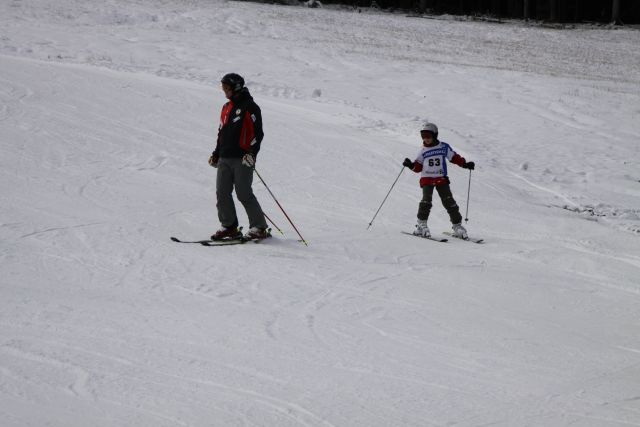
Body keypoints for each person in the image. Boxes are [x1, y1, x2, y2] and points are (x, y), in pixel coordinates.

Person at [208, 73, 269, 240]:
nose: (224, 91)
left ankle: (259, 227)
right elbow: (221, 133)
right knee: (222, 193)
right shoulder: (226, 107)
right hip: (224, 158)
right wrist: (216, 154)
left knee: (243, 193)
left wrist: (252, 153)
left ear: (236, 87)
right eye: (223, 88)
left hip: (242, 158)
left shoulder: (250, 107)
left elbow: (258, 134)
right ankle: (229, 226)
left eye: (227, 88)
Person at [402, 122, 475, 239]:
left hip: (441, 178)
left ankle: (457, 226)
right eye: (423, 136)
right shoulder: (423, 151)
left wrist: (465, 164)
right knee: (426, 201)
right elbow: (418, 167)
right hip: (427, 179)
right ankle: (421, 224)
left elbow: (454, 157)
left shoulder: (443, 147)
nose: (425, 139)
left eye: (428, 135)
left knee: (449, 201)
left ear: (435, 135)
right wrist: (410, 165)